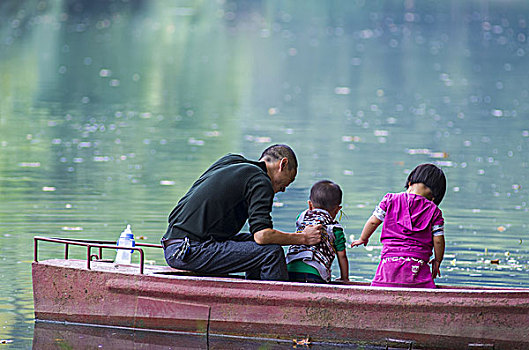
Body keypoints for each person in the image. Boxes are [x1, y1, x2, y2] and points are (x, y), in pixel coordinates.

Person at [161, 144, 323, 281]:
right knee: (271, 253)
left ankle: (255, 294)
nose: (284, 188)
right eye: (290, 179)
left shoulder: (231, 161)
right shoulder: (261, 181)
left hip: (176, 243)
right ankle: (279, 309)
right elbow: (262, 235)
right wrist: (303, 238)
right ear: (283, 164)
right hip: (189, 250)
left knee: (258, 246)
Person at [351, 163, 446, 288]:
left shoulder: (390, 200)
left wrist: (363, 238)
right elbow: (438, 240)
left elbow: (374, 221)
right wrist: (438, 260)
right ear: (434, 197)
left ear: (410, 182)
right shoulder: (435, 212)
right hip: (417, 272)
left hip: (387, 270)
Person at [286, 180, 349, 283]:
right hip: (315, 273)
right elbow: (342, 255)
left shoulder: (301, 218)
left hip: (289, 268)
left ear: (310, 205)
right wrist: (344, 278)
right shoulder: (334, 228)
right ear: (338, 210)